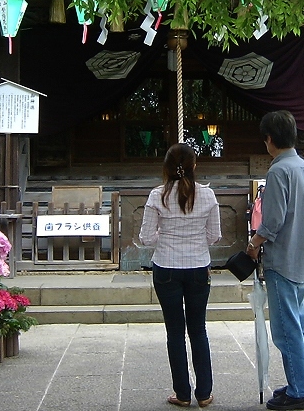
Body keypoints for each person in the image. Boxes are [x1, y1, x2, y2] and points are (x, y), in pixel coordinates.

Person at [139, 143, 221, 409]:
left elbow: (146, 237)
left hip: (166, 267)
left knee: (175, 331)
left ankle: (182, 393)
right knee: (199, 329)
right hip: (198, 267)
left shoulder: (156, 196)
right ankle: (205, 392)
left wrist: (167, 236)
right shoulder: (207, 196)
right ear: (194, 166)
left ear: (165, 168)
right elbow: (214, 236)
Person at [247, 111, 304, 411]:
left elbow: (272, 220)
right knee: (299, 326)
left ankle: (301, 391)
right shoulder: (303, 167)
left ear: (269, 139)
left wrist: (253, 243)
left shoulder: (277, 172)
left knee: (286, 329)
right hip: (303, 255)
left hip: (283, 260)